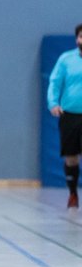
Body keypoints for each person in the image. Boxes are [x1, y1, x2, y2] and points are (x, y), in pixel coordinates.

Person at [47, 22, 82, 208]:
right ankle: (73, 193)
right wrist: (53, 103)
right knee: (71, 157)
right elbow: (54, 82)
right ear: (77, 39)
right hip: (70, 115)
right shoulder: (66, 59)